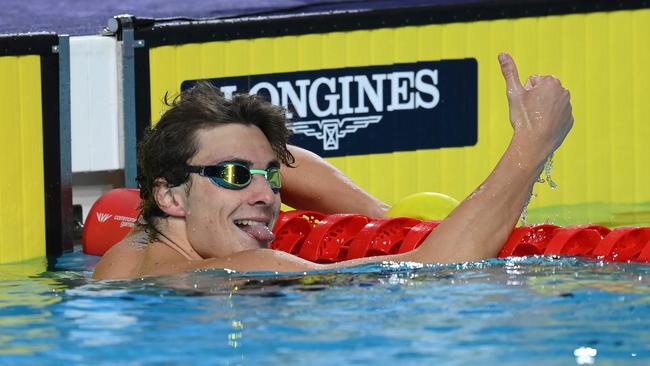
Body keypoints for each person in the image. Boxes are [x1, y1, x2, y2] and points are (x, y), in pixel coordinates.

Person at [93, 53, 573, 280]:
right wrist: (533, 142)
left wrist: (377, 214)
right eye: (237, 176)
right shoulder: (249, 271)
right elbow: (436, 267)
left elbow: (282, 163)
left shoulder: (127, 253)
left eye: (271, 177)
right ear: (169, 196)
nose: (266, 195)